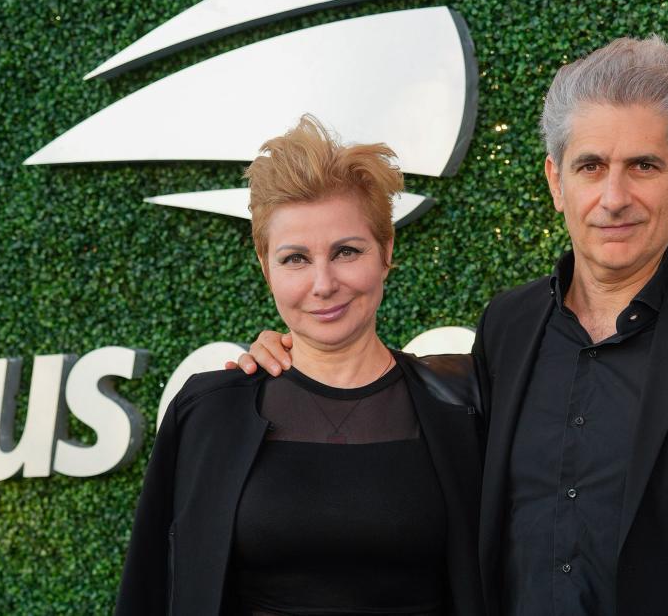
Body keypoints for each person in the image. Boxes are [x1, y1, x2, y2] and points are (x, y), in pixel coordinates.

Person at [238, 36, 668, 614]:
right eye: (590, 166)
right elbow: (404, 401)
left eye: (643, 166)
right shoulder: (509, 325)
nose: (613, 196)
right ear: (556, 181)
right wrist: (294, 355)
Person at [117, 116, 487, 615]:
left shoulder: (465, 405)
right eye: (295, 259)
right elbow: (150, 590)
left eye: (346, 252)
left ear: (387, 252)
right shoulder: (207, 412)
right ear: (265, 266)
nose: (323, 283)